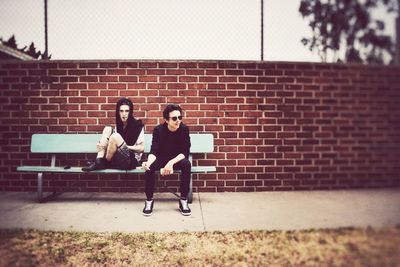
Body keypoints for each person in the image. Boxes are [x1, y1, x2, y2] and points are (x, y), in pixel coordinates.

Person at [141, 104, 191, 216]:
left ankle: (183, 200)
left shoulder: (184, 129)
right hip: (161, 159)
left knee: (186, 164)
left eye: (179, 117)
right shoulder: (158, 130)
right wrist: (148, 163)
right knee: (150, 166)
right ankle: (149, 200)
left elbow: (185, 152)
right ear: (166, 120)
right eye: (174, 118)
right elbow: (153, 151)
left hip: (177, 161)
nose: (178, 120)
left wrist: (171, 163)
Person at [82, 98, 144, 171]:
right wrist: (102, 146)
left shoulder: (138, 125)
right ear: (118, 112)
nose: (124, 114)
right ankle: (99, 160)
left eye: (127, 111)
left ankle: (101, 163)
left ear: (130, 112)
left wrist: (126, 147)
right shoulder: (119, 125)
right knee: (108, 129)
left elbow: (141, 148)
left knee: (115, 136)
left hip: (130, 160)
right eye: (121, 111)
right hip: (116, 157)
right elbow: (113, 145)